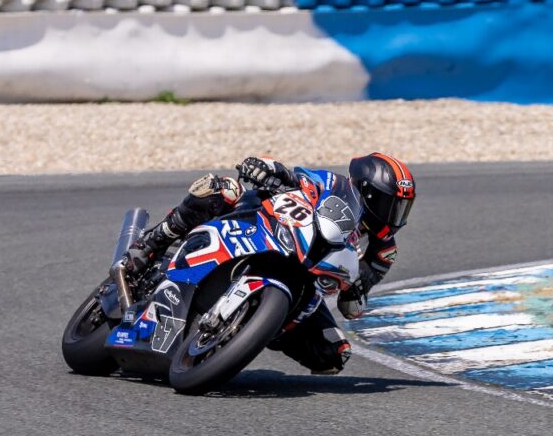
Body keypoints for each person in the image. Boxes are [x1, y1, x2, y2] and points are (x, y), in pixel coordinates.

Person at [121, 153, 416, 374]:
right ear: (367, 192)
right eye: (391, 204)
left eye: (402, 207)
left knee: (333, 354)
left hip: (308, 280)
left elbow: (354, 301)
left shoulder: (383, 251)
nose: (395, 214)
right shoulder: (332, 184)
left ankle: (253, 328)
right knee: (222, 189)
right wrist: (267, 169)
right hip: (266, 228)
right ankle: (151, 243)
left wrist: (355, 290)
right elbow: (294, 177)